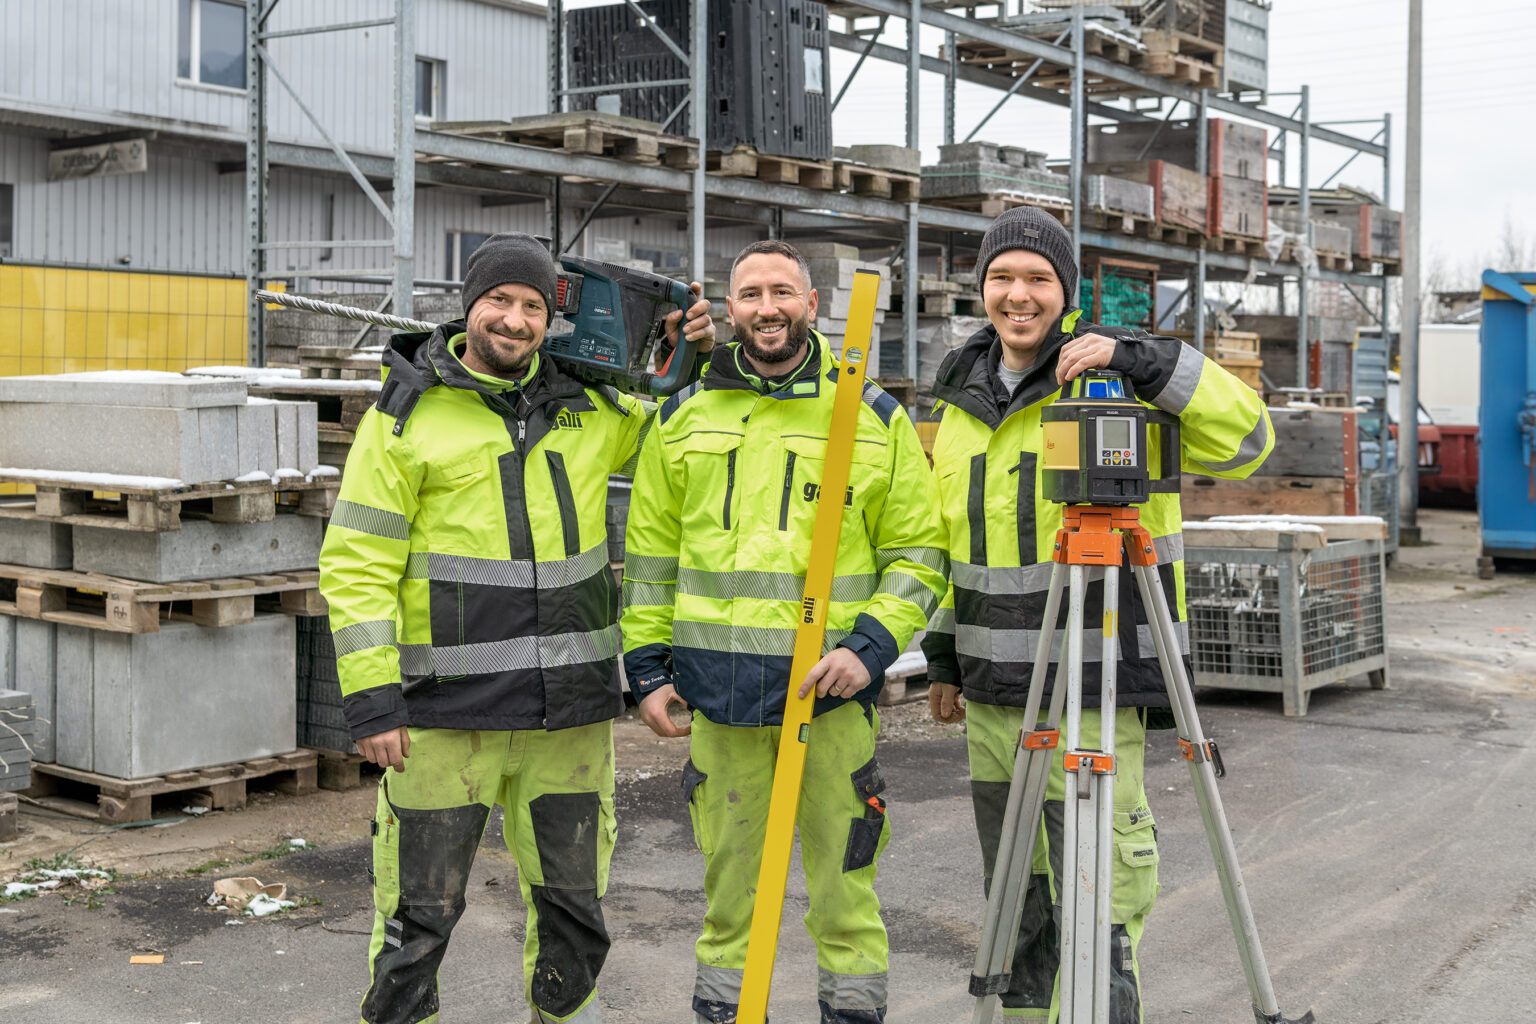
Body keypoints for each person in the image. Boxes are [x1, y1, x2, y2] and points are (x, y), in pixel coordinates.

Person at [318, 231, 714, 1024]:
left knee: (573, 918)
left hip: (566, 720)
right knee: (416, 924)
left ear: (550, 318)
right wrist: (372, 701)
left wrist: (687, 359)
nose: (516, 318)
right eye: (500, 300)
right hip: (440, 718)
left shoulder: (592, 409)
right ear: (469, 307)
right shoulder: (407, 417)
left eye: (533, 305)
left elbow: (683, 435)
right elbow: (356, 563)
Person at [921, 207, 1273, 1023]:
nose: (1019, 295)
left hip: (1098, 687)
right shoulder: (962, 397)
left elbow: (1253, 439)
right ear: (981, 290)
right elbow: (954, 543)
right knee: (1019, 912)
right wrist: (942, 655)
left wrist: (1147, 358)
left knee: (1100, 915)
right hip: (994, 694)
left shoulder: (1119, 382)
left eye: (1038, 279)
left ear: (1066, 291)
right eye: (1002, 277)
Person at [620, 239, 947, 1024]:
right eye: (751, 294)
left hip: (827, 702)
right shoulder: (684, 416)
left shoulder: (868, 415)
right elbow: (650, 557)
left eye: (782, 292)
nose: (767, 308)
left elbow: (920, 552)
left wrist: (868, 651)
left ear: (810, 304)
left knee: (844, 894)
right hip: (718, 702)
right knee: (729, 898)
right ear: (728, 310)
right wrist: (647, 671)